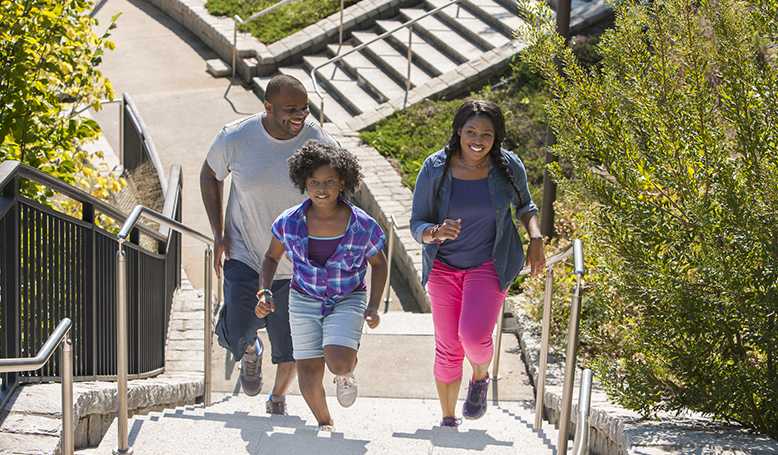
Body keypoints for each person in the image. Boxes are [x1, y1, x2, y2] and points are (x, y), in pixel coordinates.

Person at [200, 74, 336, 415]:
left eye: (304, 109)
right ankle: (249, 350)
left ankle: (277, 397)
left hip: (296, 265)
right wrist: (219, 232)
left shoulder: (315, 139)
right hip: (246, 251)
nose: (299, 116)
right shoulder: (237, 137)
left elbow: (339, 188)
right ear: (268, 107)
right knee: (238, 329)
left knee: (289, 346)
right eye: (290, 109)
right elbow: (209, 174)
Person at [409, 100, 545, 427]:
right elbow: (417, 223)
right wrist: (436, 232)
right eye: (471, 131)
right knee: (447, 345)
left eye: (487, 133)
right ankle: (448, 419)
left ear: (496, 137)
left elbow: (525, 205)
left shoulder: (507, 166)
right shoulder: (435, 168)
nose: (478, 140)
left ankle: (480, 375)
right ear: (458, 132)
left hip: (489, 262)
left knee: (472, 336)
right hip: (443, 266)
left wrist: (536, 237)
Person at [256, 140, 387, 431]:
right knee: (308, 376)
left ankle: (345, 373)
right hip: (303, 299)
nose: (321, 188)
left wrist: (374, 305)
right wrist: (264, 290)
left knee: (338, 362)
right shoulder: (288, 222)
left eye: (329, 181)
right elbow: (270, 257)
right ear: (304, 182)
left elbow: (379, 264)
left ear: (343, 182)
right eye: (314, 182)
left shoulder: (362, 226)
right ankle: (325, 423)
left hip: (347, 297)